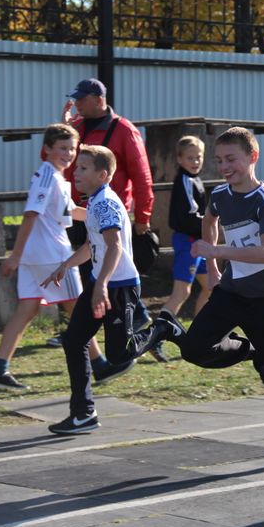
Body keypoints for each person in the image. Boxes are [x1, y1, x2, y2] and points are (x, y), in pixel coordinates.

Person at [134, 127, 264, 464]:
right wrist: (212, 266)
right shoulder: (221, 195)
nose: (224, 167)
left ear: (252, 157)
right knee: (195, 349)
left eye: (232, 159)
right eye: (219, 160)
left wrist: (216, 249)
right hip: (234, 291)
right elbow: (209, 221)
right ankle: (185, 332)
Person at [0, 125, 128, 391]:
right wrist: (14, 255)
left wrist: (105, 215)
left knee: (27, 309)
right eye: (62, 148)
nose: (69, 153)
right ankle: (100, 365)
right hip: (50, 254)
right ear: (47, 149)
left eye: (72, 148)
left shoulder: (56, 177)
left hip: (36, 255)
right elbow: (30, 215)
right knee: (79, 306)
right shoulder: (48, 177)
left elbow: (69, 210)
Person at [53, 78, 166, 361]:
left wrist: (143, 216)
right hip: (82, 211)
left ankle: (135, 324)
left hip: (109, 212)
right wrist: (65, 128)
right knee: (92, 269)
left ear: (99, 99)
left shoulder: (123, 129)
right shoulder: (77, 128)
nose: (77, 103)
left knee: (108, 269)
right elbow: (58, 161)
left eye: (82, 99)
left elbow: (142, 175)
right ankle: (108, 326)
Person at [42, 145, 140, 434]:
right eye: (77, 167)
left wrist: (103, 286)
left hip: (118, 287)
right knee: (74, 341)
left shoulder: (105, 203)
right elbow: (91, 246)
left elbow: (114, 246)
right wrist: (65, 265)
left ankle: (163, 329)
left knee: (121, 355)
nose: (76, 172)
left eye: (83, 168)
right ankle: (83, 413)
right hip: (101, 284)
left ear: (103, 174)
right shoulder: (96, 202)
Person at [162, 135, 211, 318]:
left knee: (211, 286)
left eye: (199, 157)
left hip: (197, 241)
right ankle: (154, 337)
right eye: (190, 158)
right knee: (182, 292)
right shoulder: (186, 181)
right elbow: (191, 216)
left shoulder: (194, 179)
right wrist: (210, 224)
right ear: (179, 159)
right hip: (188, 242)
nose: (195, 161)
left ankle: (199, 332)